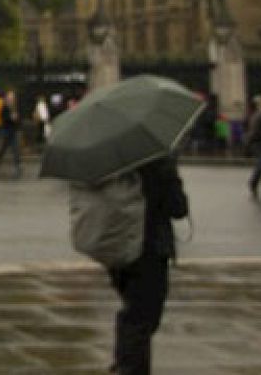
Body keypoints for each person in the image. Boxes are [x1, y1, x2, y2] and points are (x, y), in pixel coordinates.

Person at [108, 155, 188, 375]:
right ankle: (129, 365)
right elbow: (178, 208)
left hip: (117, 243)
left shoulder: (111, 161)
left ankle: (125, 360)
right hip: (150, 248)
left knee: (134, 309)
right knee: (142, 316)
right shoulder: (159, 160)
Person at [0, 89, 22, 175]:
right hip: (6, 131)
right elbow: (2, 118)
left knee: (16, 149)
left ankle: (17, 165)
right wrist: (10, 118)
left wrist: (17, 121)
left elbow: (19, 119)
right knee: (2, 149)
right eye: (10, 97)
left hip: (14, 131)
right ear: (7, 98)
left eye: (12, 97)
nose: (11, 98)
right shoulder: (4, 107)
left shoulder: (16, 107)